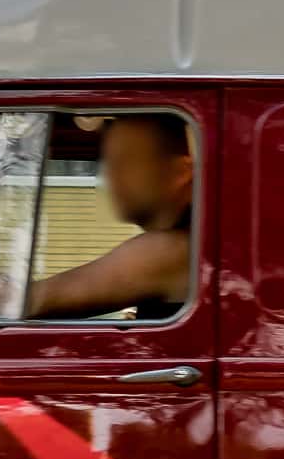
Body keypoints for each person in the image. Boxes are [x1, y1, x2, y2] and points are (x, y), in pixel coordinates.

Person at [29, 114, 195, 319]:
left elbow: (34, 300)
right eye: (108, 162)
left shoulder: (174, 250)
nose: (110, 175)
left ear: (181, 171)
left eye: (126, 160)